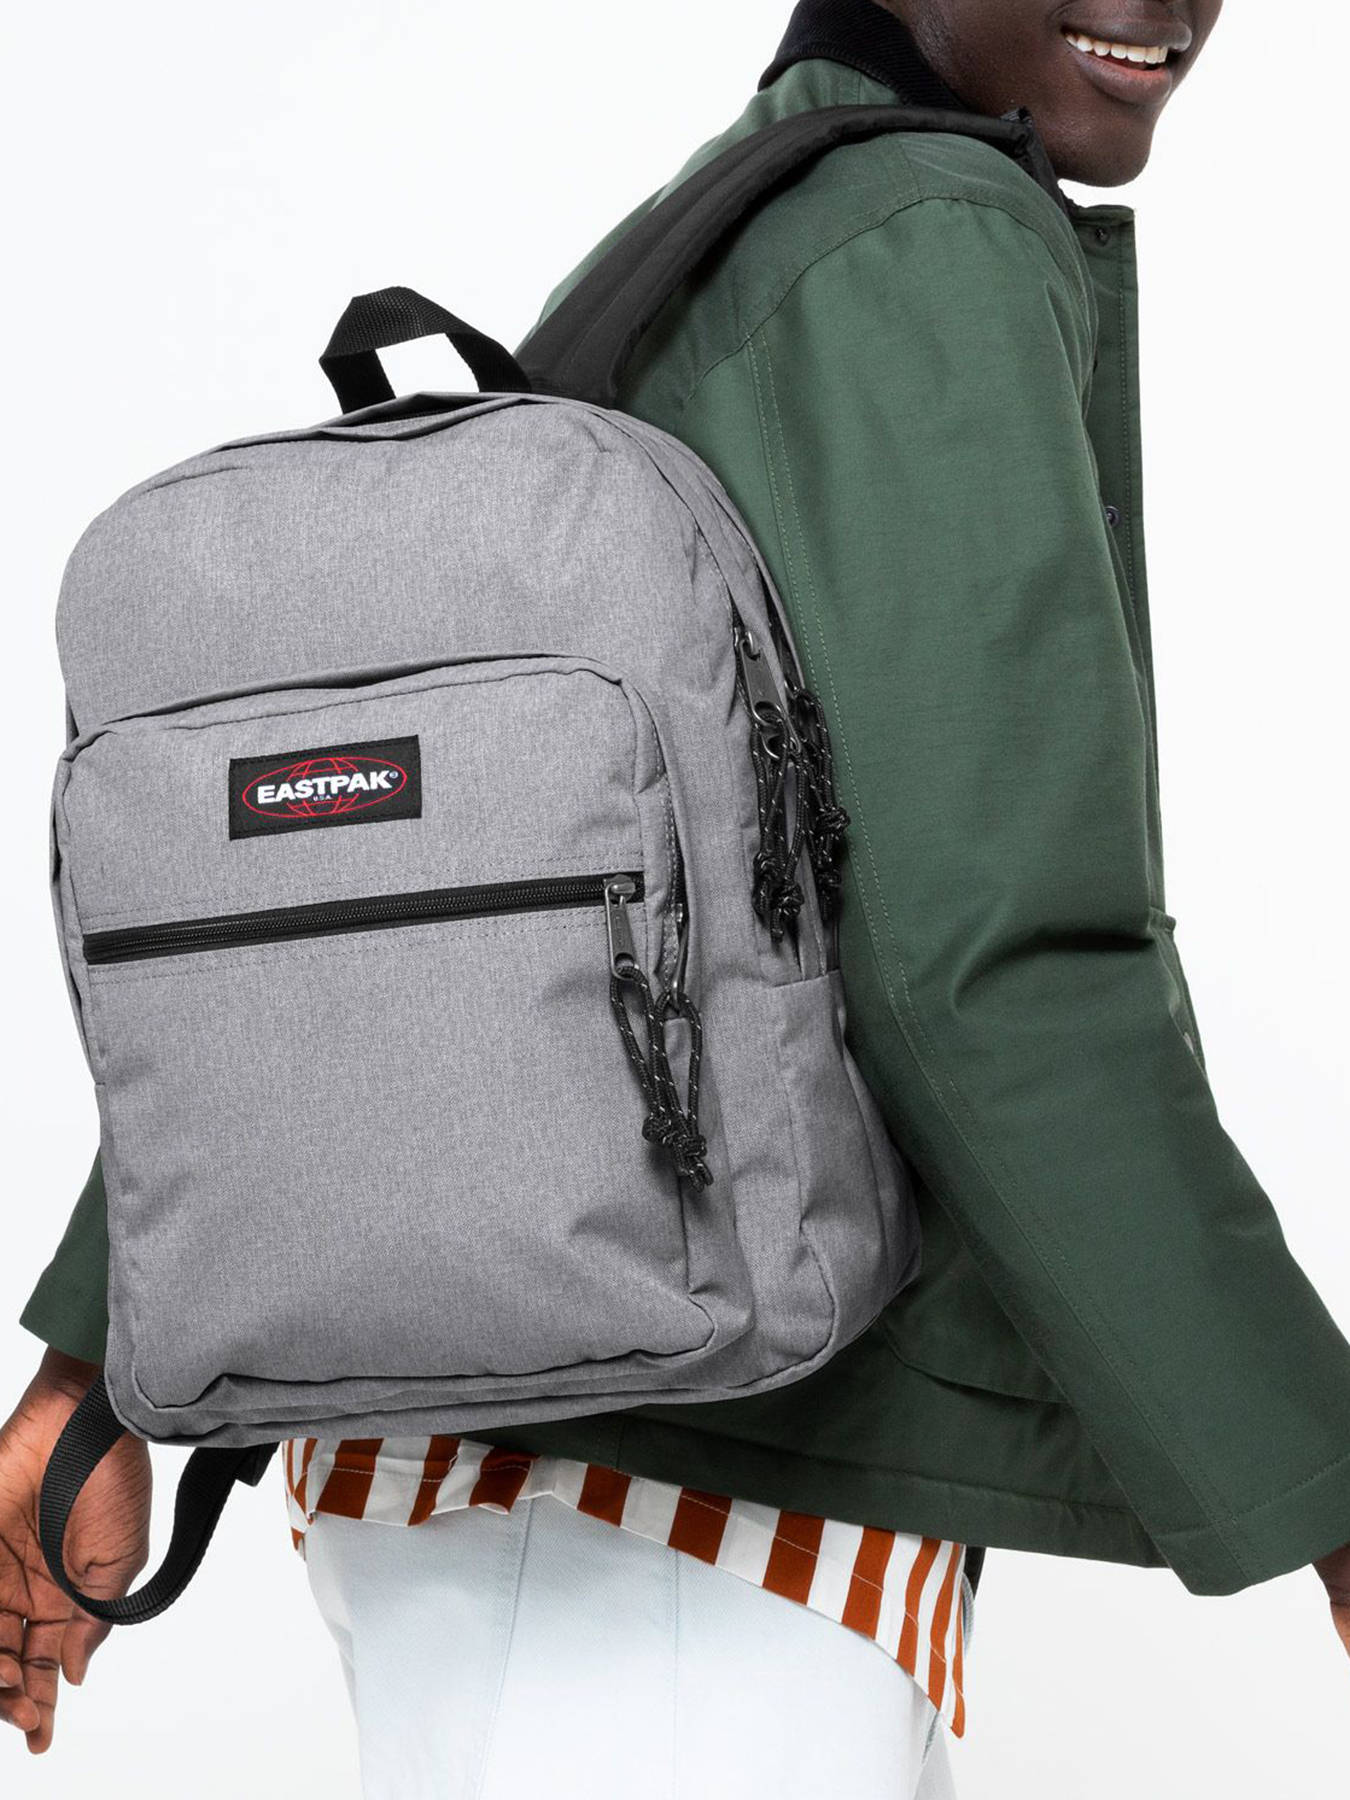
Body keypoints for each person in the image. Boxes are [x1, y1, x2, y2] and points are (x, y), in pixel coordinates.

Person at [4, 0, 1348, 1791]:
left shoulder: (715, 222)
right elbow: (992, 963)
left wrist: (85, 1379)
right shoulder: (909, 239)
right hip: (682, 1517)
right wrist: (1320, 1483)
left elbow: (405, 889)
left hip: (486, 1467)